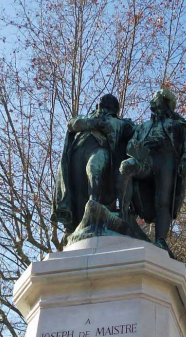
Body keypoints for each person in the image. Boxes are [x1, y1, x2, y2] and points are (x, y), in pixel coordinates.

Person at [119, 88, 186, 250]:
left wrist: (185, 162)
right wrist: (133, 148)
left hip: (166, 161)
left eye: (156, 98)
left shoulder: (177, 125)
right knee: (126, 167)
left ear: (165, 102)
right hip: (145, 159)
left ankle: (160, 240)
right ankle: (123, 214)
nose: (153, 101)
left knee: (163, 201)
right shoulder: (143, 127)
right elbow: (131, 145)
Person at [51, 94, 134, 237]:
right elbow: (71, 124)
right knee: (76, 191)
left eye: (106, 103)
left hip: (99, 149)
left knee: (94, 167)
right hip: (77, 154)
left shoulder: (119, 122)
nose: (102, 105)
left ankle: (94, 202)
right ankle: (76, 226)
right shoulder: (86, 118)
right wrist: (93, 123)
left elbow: (132, 131)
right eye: (101, 103)